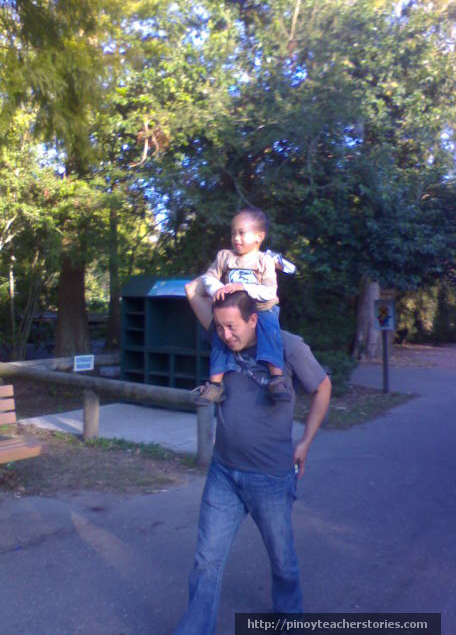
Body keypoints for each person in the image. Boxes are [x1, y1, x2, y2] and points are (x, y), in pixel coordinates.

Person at [173, 283, 331, 635]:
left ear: (254, 319)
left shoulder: (288, 346)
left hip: (270, 477)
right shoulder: (222, 341)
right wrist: (220, 281)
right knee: (206, 560)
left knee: (282, 561)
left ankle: (290, 620)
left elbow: (322, 388)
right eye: (219, 327)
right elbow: (192, 290)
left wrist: (305, 442)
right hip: (223, 474)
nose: (225, 335)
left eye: (232, 327)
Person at [197, 207, 291, 405]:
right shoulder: (225, 257)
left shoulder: (264, 261)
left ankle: (276, 378)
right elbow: (208, 277)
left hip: (262, 308)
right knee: (219, 337)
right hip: (232, 311)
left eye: (241, 233)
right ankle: (215, 384)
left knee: (271, 331)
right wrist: (218, 289)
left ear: (259, 237)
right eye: (233, 233)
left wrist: (244, 287)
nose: (236, 238)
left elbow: (269, 292)